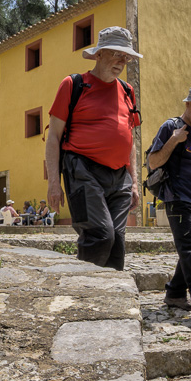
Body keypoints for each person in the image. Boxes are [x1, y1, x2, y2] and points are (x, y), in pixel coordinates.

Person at [45, 26, 141, 270]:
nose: (122, 61)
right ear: (99, 55)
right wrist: (54, 183)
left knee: (117, 243)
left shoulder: (128, 91)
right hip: (83, 170)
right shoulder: (73, 84)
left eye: (126, 56)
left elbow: (129, 138)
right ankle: (81, 293)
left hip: (120, 177)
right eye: (116, 54)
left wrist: (135, 181)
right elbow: (54, 137)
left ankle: (109, 302)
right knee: (100, 236)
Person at [146, 83, 191, 314]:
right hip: (177, 196)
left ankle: (175, 294)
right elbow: (153, 162)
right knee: (190, 247)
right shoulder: (171, 127)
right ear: (187, 104)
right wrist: (174, 140)